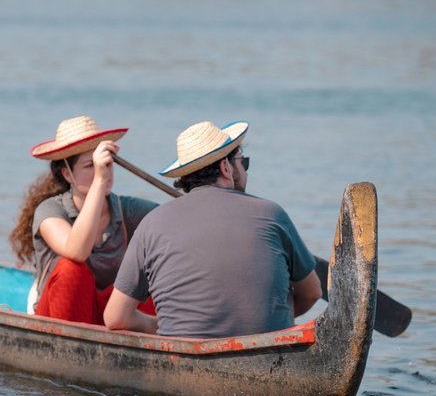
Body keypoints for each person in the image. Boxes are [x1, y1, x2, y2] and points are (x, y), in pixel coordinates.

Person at [104, 120, 321, 338]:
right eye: (242, 163)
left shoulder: (151, 224)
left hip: (183, 356)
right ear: (225, 168)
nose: (245, 170)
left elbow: (115, 317)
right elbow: (312, 293)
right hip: (272, 352)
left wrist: (155, 325)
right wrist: (275, 317)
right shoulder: (272, 214)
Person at [8, 116, 158, 325]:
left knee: (157, 263)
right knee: (71, 269)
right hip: (59, 321)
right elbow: (77, 251)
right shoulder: (50, 210)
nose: (103, 170)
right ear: (67, 174)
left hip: (112, 320)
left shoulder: (127, 210)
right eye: (91, 166)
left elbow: (175, 223)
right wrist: (99, 181)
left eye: (106, 163)